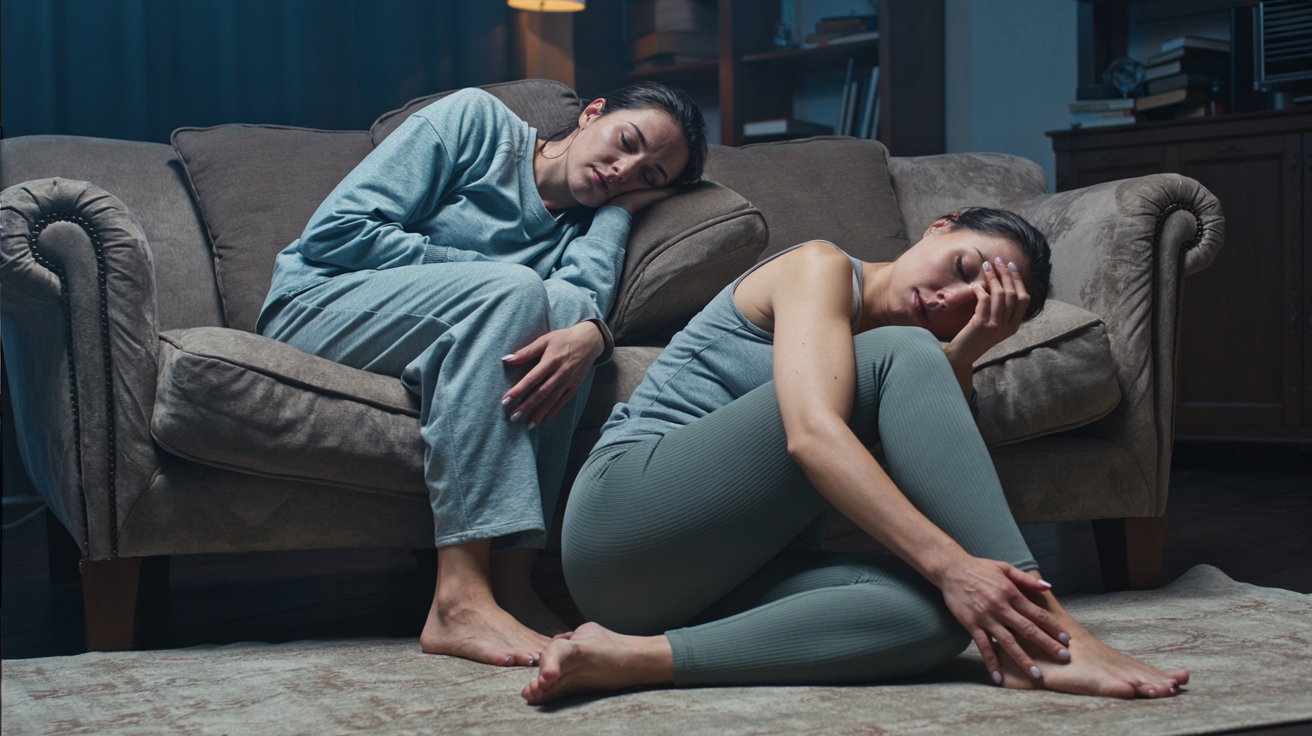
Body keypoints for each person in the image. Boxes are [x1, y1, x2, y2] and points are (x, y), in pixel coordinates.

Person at [523, 208, 1191, 702]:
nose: (949, 299)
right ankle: (1045, 625)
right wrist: (955, 564)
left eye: (975, 304)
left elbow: (908, 452)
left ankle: (634, 658)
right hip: (622, 521)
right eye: (962, 269)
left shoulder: (900, 361)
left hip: (703, 582)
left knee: (946, 620)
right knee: (961, 582)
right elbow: (812, 436)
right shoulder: (820, 266)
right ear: (937, 226)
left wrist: (967, 349)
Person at [256, 82, 707, 668]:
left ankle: (512, 580)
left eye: (648, 177)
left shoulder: (583, 225)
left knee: (566, 318)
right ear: (593, 113)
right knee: (520, 290)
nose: (623, 170)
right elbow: (337, 232)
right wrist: (493, 284)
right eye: (626, 142)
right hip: (318, 302)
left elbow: (581, 301)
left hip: (429, 333)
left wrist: (613, 235)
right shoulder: (476, 123)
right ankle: (457, 598)